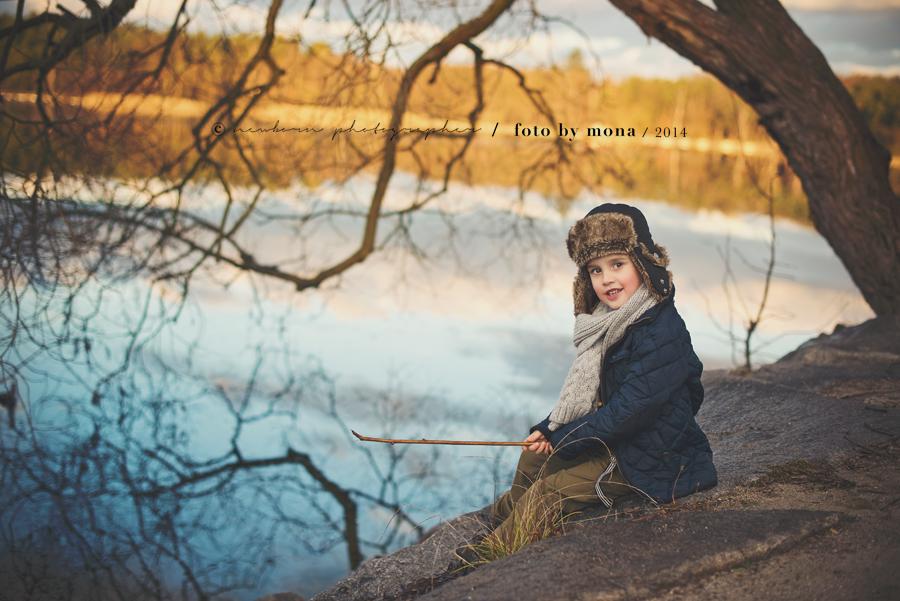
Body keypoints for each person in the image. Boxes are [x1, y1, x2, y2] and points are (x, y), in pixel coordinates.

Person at [486, 202, 717, 549]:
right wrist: (550, 428)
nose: (606, 278)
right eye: (595, 270)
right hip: (618, 439)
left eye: (617, 264)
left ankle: (495, 551)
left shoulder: (661, 331)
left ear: (643, 263)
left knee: (551, 491)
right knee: (534, 454)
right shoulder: (607, 323)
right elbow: (590, 397)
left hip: (653, 456)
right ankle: (501, 520)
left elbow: (629, 410)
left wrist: (567, 437)